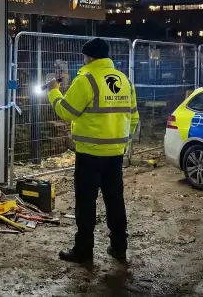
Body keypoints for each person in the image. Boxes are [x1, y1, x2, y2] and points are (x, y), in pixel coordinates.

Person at [46, 38, 139, 264]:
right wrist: (120, 141)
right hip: (116, 154)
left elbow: (67, 111)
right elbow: (134, 116)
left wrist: (53, 92)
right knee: (115, 202)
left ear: (88, 57)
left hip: (89, 154)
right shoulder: (124, 80)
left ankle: (83, 251)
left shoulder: (85, 80)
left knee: (86, 204)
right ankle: (119, 248)